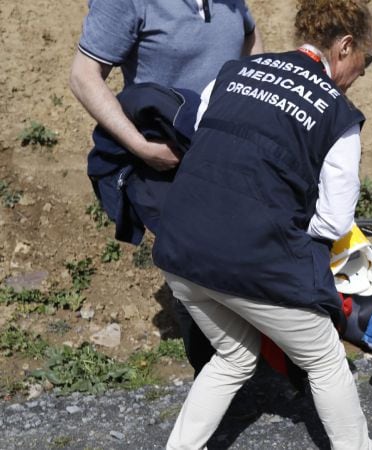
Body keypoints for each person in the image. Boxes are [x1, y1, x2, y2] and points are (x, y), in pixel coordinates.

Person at [151, 1, 372, 448]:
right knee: (324, 358)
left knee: (234, 355)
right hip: (249, 256)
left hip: (178, 248)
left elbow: (203, 141)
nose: (364, 70)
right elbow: (334, 220)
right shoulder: (338, 113)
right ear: (345, 47)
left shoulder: (232, 71)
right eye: (368, 58)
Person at [69, 0, 263, 375]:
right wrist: (141, 147)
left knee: (238, 260)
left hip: (229, 155)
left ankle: (243, 368)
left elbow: (250, 36)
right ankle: (214, 375)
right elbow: (83, 75)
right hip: (169, 161)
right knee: (196, 271)